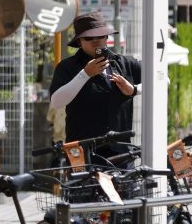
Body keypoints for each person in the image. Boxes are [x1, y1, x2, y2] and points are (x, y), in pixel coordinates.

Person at [48, 11, 141, 144]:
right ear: (79, 41)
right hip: (84, 150)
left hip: (121, 151)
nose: (95, 41)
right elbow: (57, 101)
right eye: (88, 38)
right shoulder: (67, 66)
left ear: (107, 37)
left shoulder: (124, 63)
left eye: (100, 35)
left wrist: (134, 90)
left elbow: (162, 80)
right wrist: (85, 74)